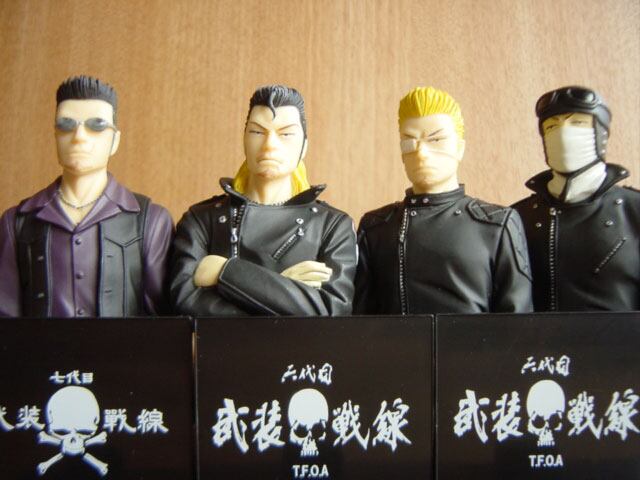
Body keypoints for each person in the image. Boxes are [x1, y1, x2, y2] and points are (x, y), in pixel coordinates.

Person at [170, 85, 357, 316]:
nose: (270, 145)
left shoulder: (331, 225)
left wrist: (224, 271)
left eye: (286, 134)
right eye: (257, 132)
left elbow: (331, 311)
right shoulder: (202, 220)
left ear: (304, 146)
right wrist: (284, 288)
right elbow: (185, 302)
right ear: (244, 139)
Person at [0, 75, 174, 317]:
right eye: (66, 125)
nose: (79, 136)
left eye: (97, 125)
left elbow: (164, 321)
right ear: (55, 135)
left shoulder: (150, 221)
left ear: (115, 140)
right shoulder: (16, 222)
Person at [354, 86, 533, 314]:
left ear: (459, 147)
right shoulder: (376, 227)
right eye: (409, 142)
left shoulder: (497, 225)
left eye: (435, 139)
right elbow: (362, 322)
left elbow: (518, 321)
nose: (421, 153)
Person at [512, 86, 639, 311]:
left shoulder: (633, 210)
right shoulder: (517, 218)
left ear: (602, 132)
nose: (563, 133)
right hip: (538, 336)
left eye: (578, 122)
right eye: (551, 126)